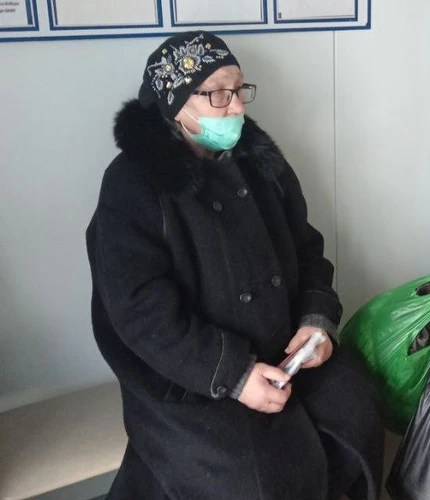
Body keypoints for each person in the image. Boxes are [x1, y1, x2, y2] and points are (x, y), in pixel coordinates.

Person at [86, 31, 384, 500]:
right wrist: (235, 376)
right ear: (177, 103)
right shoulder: (131, 183)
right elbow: (139, 310)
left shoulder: (260, 162)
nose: (238, 106)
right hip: (192, 373)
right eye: (219, 94)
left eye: (240, 89)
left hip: (285, 352)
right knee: (252, 476)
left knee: (357, 409)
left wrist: (316, 322)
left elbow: (307, 249)